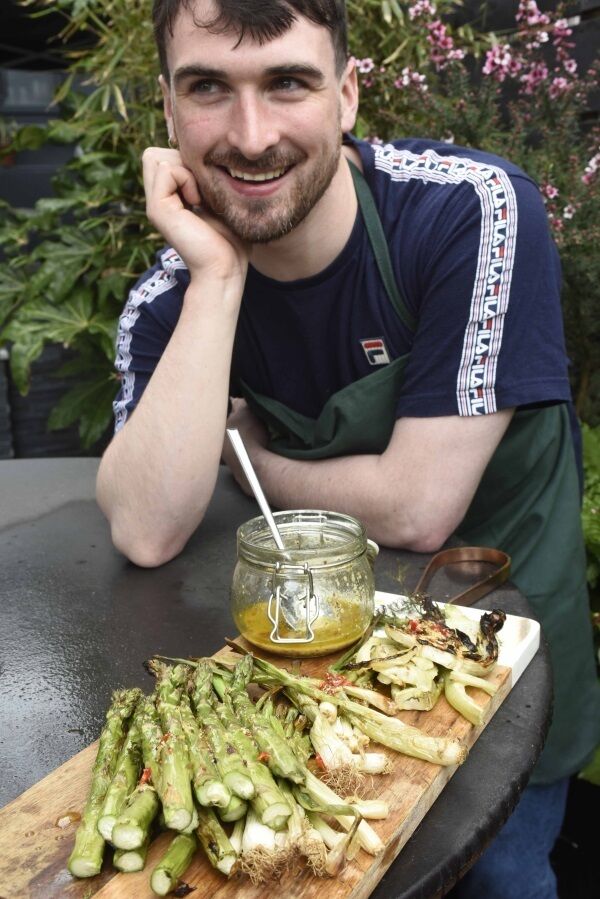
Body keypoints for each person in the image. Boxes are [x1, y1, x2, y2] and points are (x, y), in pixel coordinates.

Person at [96, 1, 600, 896]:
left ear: (348, 94)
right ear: (168, 111)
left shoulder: (468, 213)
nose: (252, 135)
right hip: (300, 701)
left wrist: (248, 456)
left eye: (288, 82)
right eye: (209, 88)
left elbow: (418, 506)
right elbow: (144, 528)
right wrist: (217, 279)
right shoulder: (170, 298)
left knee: (500, 878)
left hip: (490, 674)